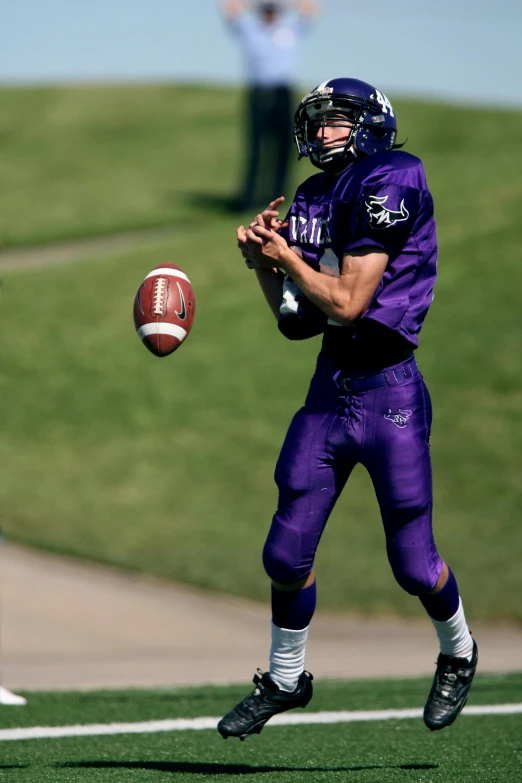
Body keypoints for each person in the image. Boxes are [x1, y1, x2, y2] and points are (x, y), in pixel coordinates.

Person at [217, 78, 478, 741]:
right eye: (319, 121)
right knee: (285, 550)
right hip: (331, 388)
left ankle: (459, 649)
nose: (322, 131)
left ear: (369, 125)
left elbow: (352, 303)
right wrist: (263, 264)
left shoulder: (393, 176)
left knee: (414, 563)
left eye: (335, 120)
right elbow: (300, 320)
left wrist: (287, 261)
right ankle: (284, 677)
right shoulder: (311, 196)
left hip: (389, 389)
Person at [222, 0, 319, 210]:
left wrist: (285, 4)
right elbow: (229, 8)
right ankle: (249, 199)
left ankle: (280, 197)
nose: (269, 14)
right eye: (266, 10)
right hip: (259, 92)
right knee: (256, 147)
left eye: (273, 10)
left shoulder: (289, 30)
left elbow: (310, 8)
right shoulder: (251, 31)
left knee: (285, 146)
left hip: (283, 92)